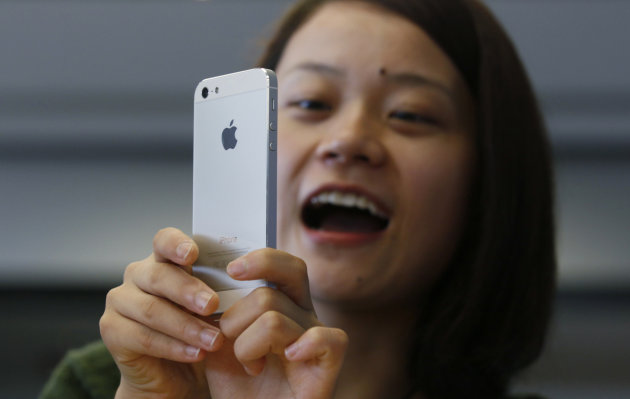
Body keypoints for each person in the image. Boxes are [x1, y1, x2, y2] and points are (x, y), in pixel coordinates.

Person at [39, 0, 556, 398]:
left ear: (489, 173)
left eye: (411, 114)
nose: (349, 139)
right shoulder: (106, 384)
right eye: (310, 102)